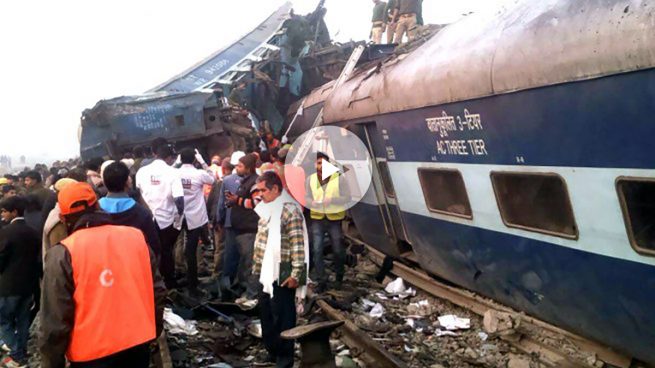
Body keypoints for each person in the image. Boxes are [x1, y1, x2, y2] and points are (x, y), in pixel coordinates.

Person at [40, 182, 165, 368]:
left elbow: (55, 321)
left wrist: (52, 363)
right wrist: (152, 332)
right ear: (97, 206)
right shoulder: (136, 238)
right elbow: (157, 292)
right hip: (137, 347)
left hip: (90, 356)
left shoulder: (63, 253)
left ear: (63, 218)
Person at [252, 171, 309, 368]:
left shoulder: (289, 210)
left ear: (275, 189)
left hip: (283, 272)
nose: (260, 194)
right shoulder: (268, 207)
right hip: (266, 272)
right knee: (266, 312)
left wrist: (296, 275)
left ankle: (285, 358)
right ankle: (272, 351)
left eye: (263, 190)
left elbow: (298, 245)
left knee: (284, 316)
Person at [136, 144, 185, 289]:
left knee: (149, 252)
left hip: (146, 219)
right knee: (166, 251)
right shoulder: (173, 173)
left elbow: (138, 193)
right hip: (166, 220)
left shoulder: (142, 172)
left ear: (155, 154)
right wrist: (178, 222)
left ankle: (152, 283)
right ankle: (169, 283)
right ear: (169, 158)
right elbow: (179, 201)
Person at [0, 197, 40, 368]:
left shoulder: (6, 232)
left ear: (14, 211)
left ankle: (16, 353)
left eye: (4, 211)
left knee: (4, 320)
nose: (2, 215)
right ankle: (22, 352)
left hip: (8, 286)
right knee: (23, 320)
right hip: (28, 284)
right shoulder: (33, 231)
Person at [305, 153, 350, 291]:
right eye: (318, 163)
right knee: (317, 250)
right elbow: (306, 197)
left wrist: (333, 200)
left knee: (337, 250)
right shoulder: (310, 180)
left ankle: (339, 278)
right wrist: (311, 202)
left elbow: (347, 197)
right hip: (317, 219)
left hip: (334, 219)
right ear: (315, 165)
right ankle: (321, 280)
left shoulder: (339, 179)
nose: (321, 166)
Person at [98, 161, 161, 255]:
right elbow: (154, 246)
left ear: (104, 183)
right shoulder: (142, 213)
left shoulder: (96, 210)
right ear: (127, 181)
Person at [177, 148, 215, 296]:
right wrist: (203, 162)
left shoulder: (175, 173)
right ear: (194, 160)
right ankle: (193, 284)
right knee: (191, 250)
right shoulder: (199, 174)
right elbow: (213, 178)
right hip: (196, 217)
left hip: (179, 216)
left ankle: (182, 276)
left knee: (179, 247)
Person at [225, 153, 260, 303]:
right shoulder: (245, 181)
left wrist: (237, 200)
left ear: (249, 168)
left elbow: (257, 203)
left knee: (250, 263)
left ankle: (252, 294)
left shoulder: (255, 183)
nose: (237, 168)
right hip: (240, 229)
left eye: (240, 166)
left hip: (249, 230)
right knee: (243, 263)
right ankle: (244, 289)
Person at [216, 157, 242, 295]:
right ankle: (239, 283)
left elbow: (222, 203)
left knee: (230, 253)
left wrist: (219, 219)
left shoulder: (226, 180)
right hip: (248, 225)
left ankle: (228, 283)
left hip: (230, 221)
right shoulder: (256, 179)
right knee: (245, 255)